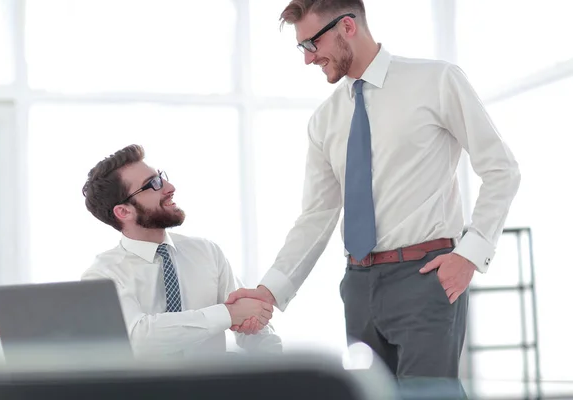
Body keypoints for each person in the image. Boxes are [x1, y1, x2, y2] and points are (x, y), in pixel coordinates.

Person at [226, 0, 520, 379]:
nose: (308, 59)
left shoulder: (436, 81)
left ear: (347, 26)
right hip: (358, 285)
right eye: (302, 48)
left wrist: (469, 254)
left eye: (311, 44)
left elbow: (501, 168)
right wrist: (270, 290)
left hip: (425, 277)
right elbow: (316, 217)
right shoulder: (325, 120)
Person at [81, 144, 281, 360]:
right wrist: (227, 314)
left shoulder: (207, 252)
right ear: (124, 211)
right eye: (153, 184)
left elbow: (252, 323)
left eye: (161, 177)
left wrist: (274, 361)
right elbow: (139, 339)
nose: (169, 187)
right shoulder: (102, 276)